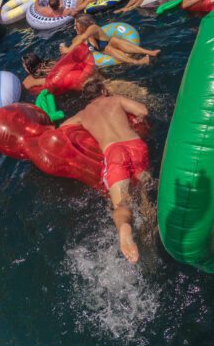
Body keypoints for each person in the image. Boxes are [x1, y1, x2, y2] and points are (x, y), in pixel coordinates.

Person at [64, 79, 153, 262]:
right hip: (136, 146)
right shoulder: (116, 99)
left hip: (114, 152)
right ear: (103, 91)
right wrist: (137, 119)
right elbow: (143, 110)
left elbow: (63, 128)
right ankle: (150, 233)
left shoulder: (83, 114)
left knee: (122, 204)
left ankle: (126, 232)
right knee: (144, 191)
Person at [60, 14, 159, 65]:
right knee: (108, 49)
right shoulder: (77, 38)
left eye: (76, 25)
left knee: (113, 41)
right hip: (104, 51)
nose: (74, 28)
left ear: (83, 25)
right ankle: (138, 62)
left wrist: (68, 49)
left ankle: (149, 53)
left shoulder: (92, 28)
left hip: (108, 46)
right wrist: (66, 49)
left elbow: (84, 37)